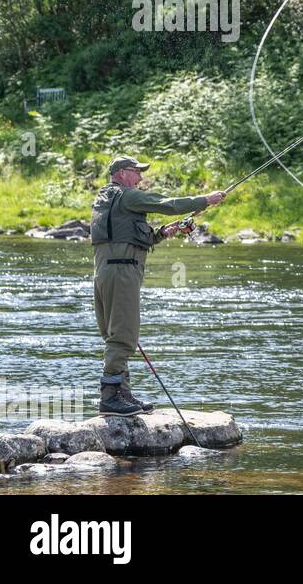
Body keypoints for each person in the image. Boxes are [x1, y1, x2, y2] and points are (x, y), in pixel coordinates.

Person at [88, 156, 225, 416]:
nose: (140, 178)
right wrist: (205, 199)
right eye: (136, 172)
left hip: (106, 272)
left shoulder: (105, 199)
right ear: (121, 174)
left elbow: (129, 237)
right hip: (123, 271)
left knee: (116, 333)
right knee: (124, 336)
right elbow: (167, 203)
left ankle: (122, 393)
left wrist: (164, 233)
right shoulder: (127, 196)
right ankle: (110, 398)